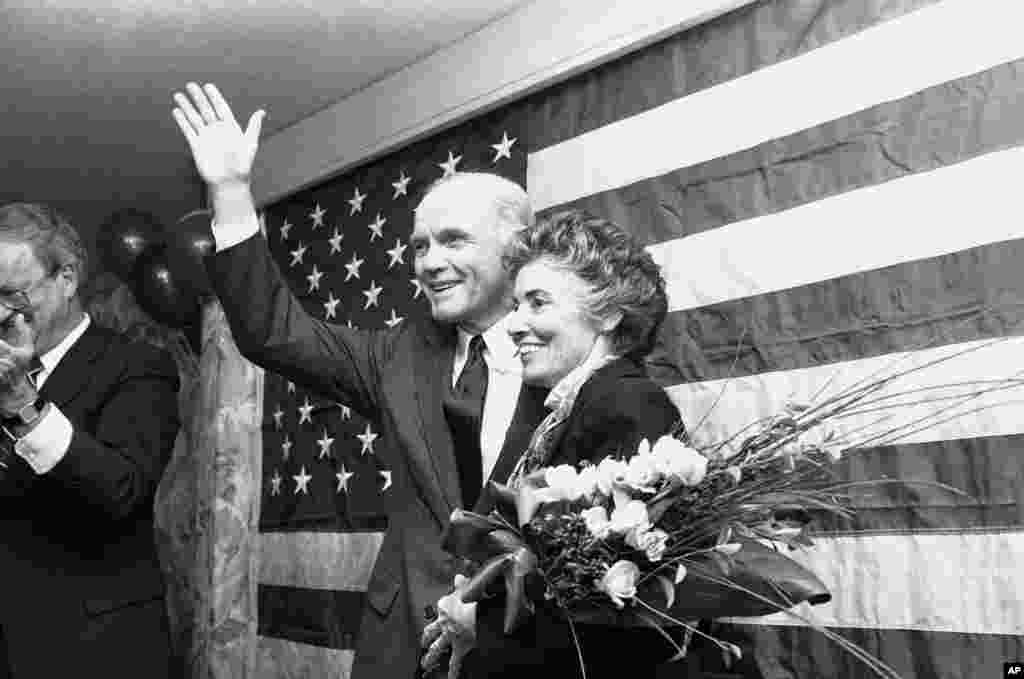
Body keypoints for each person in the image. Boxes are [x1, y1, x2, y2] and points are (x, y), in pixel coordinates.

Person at [171, 82, 551, 679]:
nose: (428, 261)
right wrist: (230, 192)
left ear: (518, 247)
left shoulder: (568, 361)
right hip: (401, 646)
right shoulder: (400, 353)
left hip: (525, 652)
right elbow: (275, 332)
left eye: (453, 241)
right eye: (421, 245)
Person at [423, 209, 686, 679]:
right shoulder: (572, 406)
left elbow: (619, 624)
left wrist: (475, 623)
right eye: (517, 305)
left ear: (606, 314)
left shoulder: (627, 404)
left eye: (537, 303)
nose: (513, 324)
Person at [0, 203, 181, 678]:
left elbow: (122, 490)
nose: (1, 312)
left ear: (67, 278)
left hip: (97, 651)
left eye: (13, 293)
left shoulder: (137, 365)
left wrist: (23, 402)